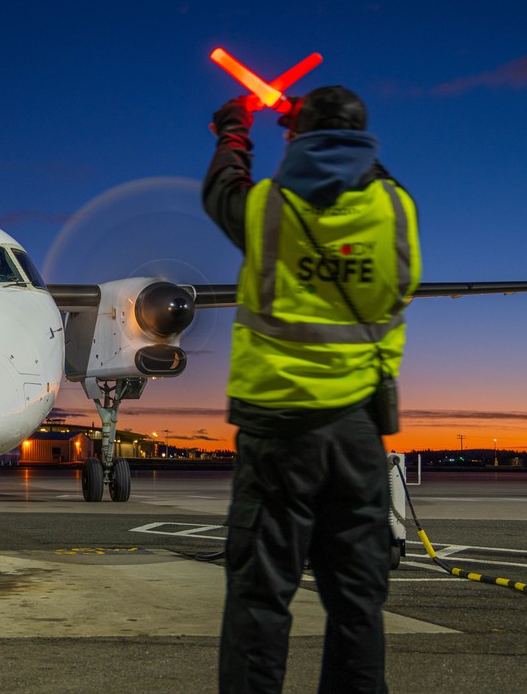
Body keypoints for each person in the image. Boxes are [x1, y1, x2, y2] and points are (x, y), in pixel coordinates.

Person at [202, 87, 422, 694]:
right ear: (364, 141)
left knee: (259, 599)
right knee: (358, 602)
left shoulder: (269, 208)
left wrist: (234, 130)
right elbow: (400, 281)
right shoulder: (397, 208)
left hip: (278, 434)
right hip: (357, 434)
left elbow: (222, 188)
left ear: (296, 140)